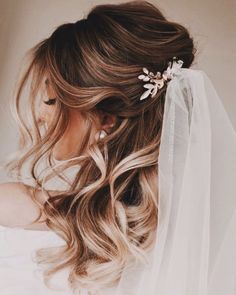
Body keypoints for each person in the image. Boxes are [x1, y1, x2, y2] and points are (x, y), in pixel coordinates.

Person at [0, 1, 235, 295]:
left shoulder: (13, 211)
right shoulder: (195, 238)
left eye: (51, 100)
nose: (39, 116)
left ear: (107, 120)